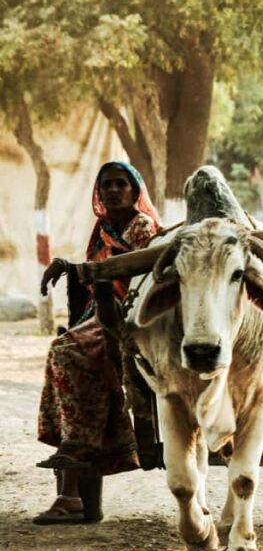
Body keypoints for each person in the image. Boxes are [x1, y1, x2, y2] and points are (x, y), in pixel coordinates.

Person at [32, 161, 160, 525]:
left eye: (122, 184)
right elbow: (96, 275)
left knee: (68, 352)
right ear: (99, 193)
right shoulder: (103, 229)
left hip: (138, 315)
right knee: (66, 353)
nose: (114, 190)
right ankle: (73, 490)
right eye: (107, 185)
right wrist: (71, 269)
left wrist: (86, 273)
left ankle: (71, 490)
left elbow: (139, 274)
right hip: (101, 314)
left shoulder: (143, 228)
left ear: (136, 192)